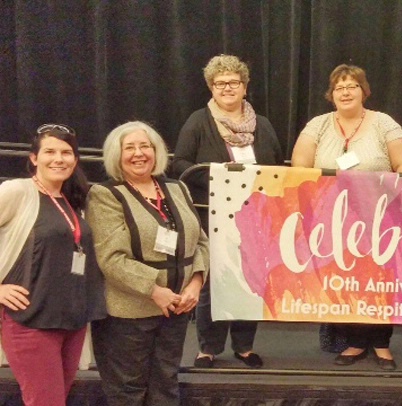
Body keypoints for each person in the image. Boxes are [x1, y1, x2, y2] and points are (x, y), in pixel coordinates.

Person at [291, 64, 402, 371]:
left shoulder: (383, 122)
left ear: (363, 91)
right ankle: (356, 341)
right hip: (333, 219)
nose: (345, 92)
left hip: (380, 218)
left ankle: (382, 343)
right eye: (339, 88)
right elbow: (300, 166)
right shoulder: (318, 125)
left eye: (352, 86)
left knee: (380, 281)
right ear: (331, 95)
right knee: (345, 280)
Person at [86, 121, 209, 406]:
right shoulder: (105, 195)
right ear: (116, 155)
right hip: (128, 315)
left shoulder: (178, 188)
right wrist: (155, 290)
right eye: (129, 147)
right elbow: (111, 258)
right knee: (128, 392)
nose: (139, 153)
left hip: (176, 309)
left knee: (166, 385)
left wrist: (196, 282)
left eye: (145, 146)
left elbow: (200, 242)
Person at [172, 54, 282, 369]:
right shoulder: (198, 121)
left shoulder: (262, 125)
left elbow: (276, 163)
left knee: (250, 281)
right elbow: (179, 163)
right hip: (212, 214)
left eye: (234, 82)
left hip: (254, 216)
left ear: (245, 87)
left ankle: (245, 347)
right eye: (220, 84)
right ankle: (208, 348)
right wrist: (217, 177)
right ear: (211, 88)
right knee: (211, 283)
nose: (227, 88)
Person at [0, 124, 106, 406]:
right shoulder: (16, 192)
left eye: (66, 152)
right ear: (34, 158)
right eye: (50, 151)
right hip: (32, 322)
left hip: (71, 321)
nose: (58, 158)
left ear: (75, 159)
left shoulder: (72, 199)